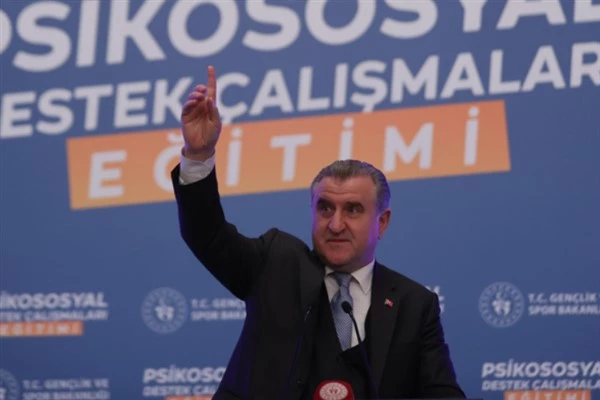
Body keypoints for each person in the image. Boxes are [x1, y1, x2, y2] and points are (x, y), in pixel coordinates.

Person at [170, 65, 465, 400]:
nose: (335, 224)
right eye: (325, 208)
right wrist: (198, 156)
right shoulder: (274, 264)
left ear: (382, 222)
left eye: (353, 210)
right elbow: (206, 233)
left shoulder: (414, 304)